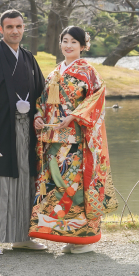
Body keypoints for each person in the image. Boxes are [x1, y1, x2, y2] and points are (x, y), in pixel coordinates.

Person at [29, 26, 117, 254]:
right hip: (53, 139)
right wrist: (38, 116)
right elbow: (42, 100)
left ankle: (84, 237)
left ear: (83, 46)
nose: (68, 46)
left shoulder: (88, 71)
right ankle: (68, 236)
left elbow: (97, 100)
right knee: (56, 187)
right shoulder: (55, 72)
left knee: (76, 187)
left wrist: (73, 116)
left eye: (73, 42)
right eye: (65, 41)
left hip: (77, 141)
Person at [0, 9, 47, 255]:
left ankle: (22, 237)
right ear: (1, 30)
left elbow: (41, 94)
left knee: (27, 182)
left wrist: (39, 116)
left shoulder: (28, 59)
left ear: (24, 29)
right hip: (0, 130)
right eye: (9, 27)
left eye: (19, 26)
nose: (15, 31)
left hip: (27, 131)